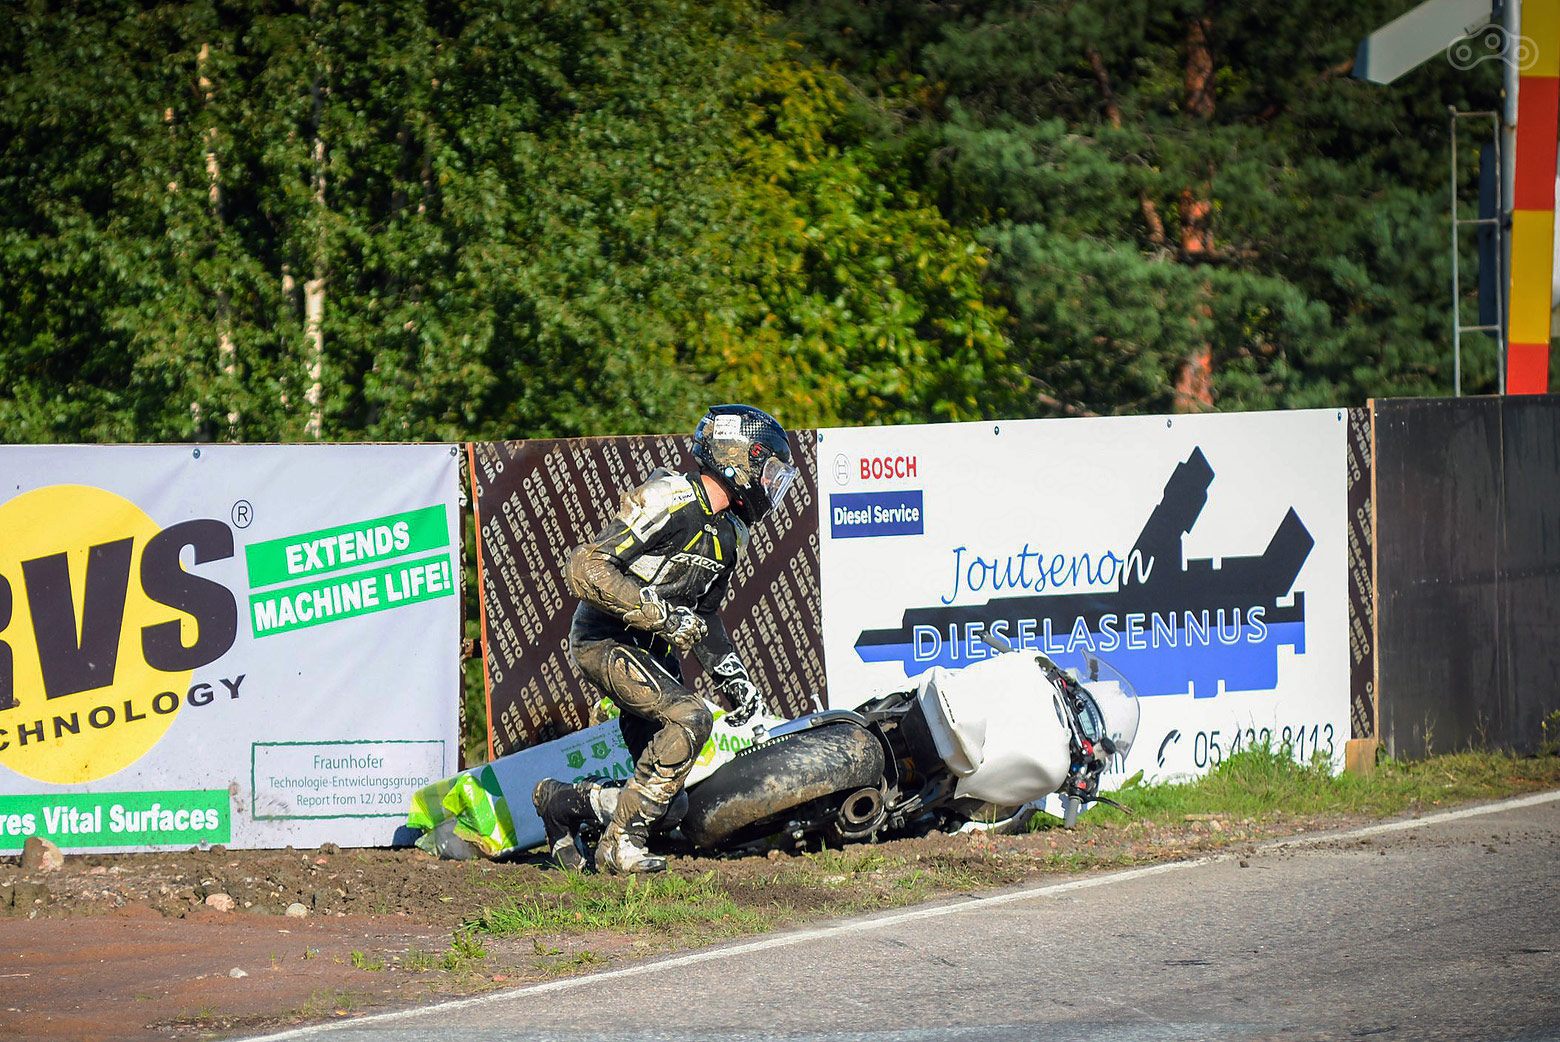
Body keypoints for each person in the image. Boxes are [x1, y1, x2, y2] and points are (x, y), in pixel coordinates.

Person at [533, 404, 798, 874]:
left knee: (670, 805)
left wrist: (731, 676)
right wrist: (657, 613)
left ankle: (562, 803)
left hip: (653, 649)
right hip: (605, 638)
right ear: (737, 458)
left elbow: (706, 613)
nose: (769, 484)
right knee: (692, 718)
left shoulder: (732, 533)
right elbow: (586, 566)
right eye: (767, 468)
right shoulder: (670, 498)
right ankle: (618, 845)